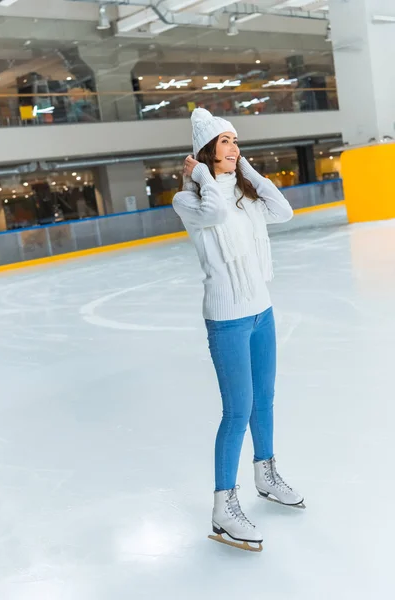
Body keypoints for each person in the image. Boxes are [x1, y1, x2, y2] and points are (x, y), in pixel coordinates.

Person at [173, 108, 305, 553]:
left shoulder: (245, 196)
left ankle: (265, 475)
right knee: (237, 410)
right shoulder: (188, 200)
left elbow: (283, 211)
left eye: (236, 140)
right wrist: (207, 178)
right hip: (227, 317)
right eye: (226, 141)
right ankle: (223, 508)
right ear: (207, 151)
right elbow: (212, 213)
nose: (235, 146)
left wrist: (245, 169)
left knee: (263, 401)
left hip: (261, 311)